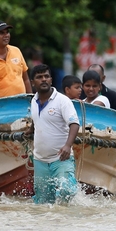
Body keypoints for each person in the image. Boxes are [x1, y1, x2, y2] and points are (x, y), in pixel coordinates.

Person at [24, 64, 80, 204]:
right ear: (32, 82)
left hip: (61, 158)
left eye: (46, 76)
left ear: (51, 80)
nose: (43, 80)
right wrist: (31, 129)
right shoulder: (34, 101)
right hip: (40, 160)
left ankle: (67, 223)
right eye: (39, 77)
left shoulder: (63, 101)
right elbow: (37, 119)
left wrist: (68, 146)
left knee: (66, 191)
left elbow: (74, 124)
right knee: (43, 202)